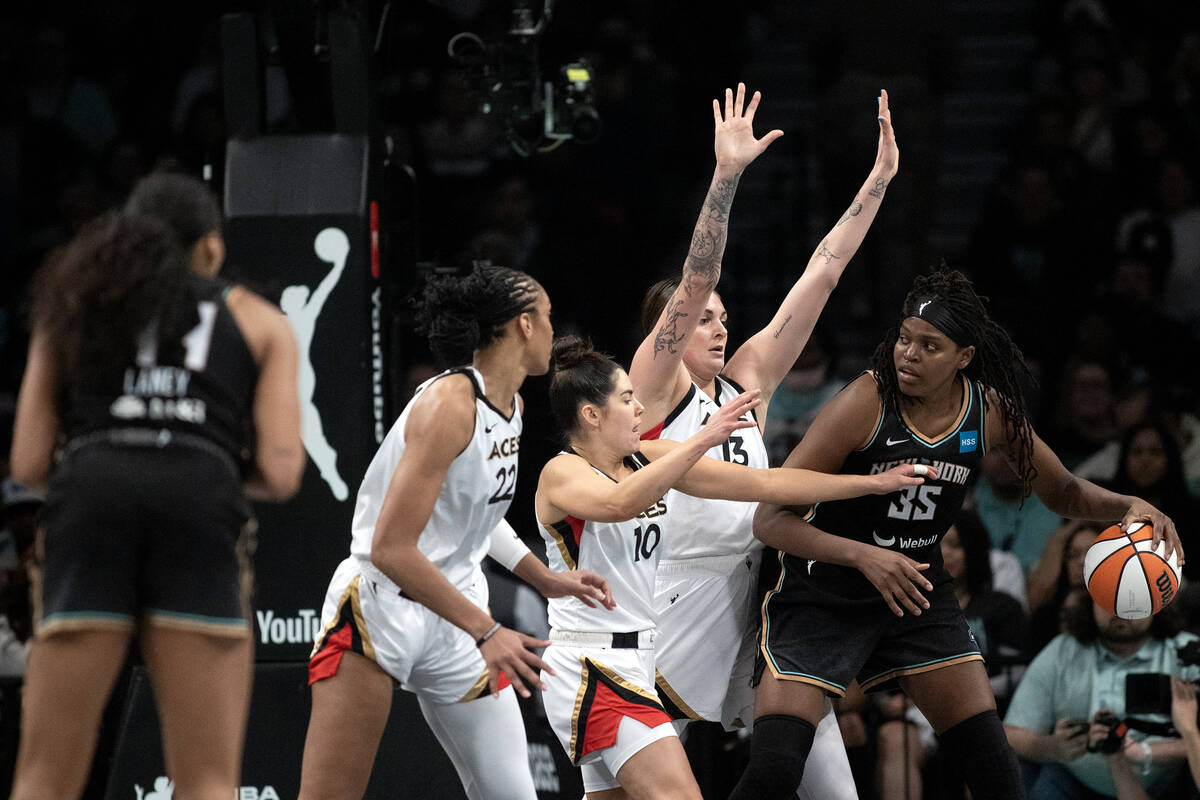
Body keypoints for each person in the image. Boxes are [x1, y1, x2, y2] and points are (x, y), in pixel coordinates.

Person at [736, 265, 1185, 800]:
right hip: (823, 590)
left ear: (963, 358)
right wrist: (864, 557)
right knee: (773, 774)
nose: (908, 353)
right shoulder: (866, 401)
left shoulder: (988, 411)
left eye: (930, 346)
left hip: (915, 593)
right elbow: (771, 519)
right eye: (904, 338)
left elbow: (1060, 490)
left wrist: (1128, 502)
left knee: (996, 773)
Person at [629, 85, 897, 798]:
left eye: (723, 317)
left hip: (762, 604)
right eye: (703, 320)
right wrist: (726, 176)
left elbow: (824, 271)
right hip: (671, 601)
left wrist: (878, 182)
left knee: (833, 786)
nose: (717, 325)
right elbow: (696, 275)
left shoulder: (747, 379)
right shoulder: (652, 390)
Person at [534, 336, 932, 798]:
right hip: (593, 662)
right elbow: (620, 503)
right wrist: (704, 435)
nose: (639, 408)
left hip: (637, 659)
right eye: (626, 399)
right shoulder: (561, 472)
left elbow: (767, 481)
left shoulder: (649, 457)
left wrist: (869, 484)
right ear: (591, 414)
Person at [8, 205, 305, 800]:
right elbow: (280, 473)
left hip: (91, 499)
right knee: (208, 781)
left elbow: (29, 464)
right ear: (211, 251)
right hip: (198, 503)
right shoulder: (258, 319)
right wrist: (202, 455)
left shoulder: (71, 307)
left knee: (44, 776)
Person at [296, 265, 614, 800]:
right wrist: (488, 631)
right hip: (382, 604)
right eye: (549, 317)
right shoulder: (449, 404)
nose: (554, 330)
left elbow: (478, 519)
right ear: (523, 325)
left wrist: (546, 579)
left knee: (512, 793)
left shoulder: (509, 407)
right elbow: (391, 548)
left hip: (456, 614)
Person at [1003, 593, 1200, 799]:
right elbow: (1011, 732)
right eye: (1109, 597)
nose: (1120, 609)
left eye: (1132, 597)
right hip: (1073, 780)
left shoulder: (1188, 653)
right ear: (1091, 601)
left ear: (1157, 603)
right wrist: (1053, 747)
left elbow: (1196, 738)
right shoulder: (1062, 650)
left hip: (1163, 782)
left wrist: (1146, 752)